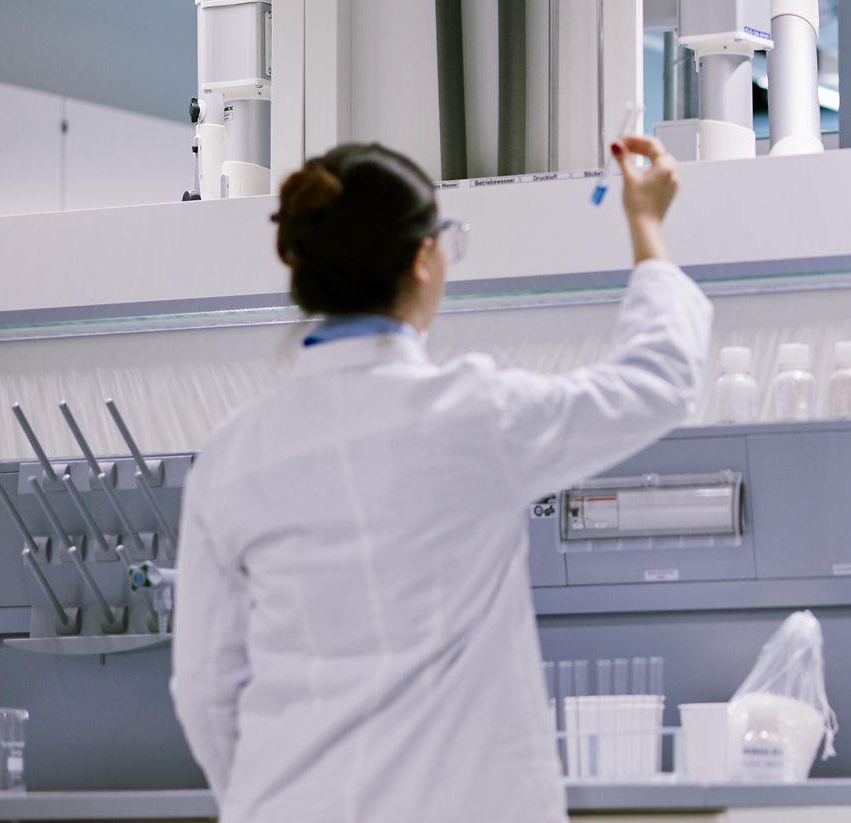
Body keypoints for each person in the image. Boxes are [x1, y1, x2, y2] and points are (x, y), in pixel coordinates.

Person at [169, 136, 710, 822]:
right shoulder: (472, 419)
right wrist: (648, 226)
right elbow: (656, 383)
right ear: (425, 258)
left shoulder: (231, 458)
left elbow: (204, 687)